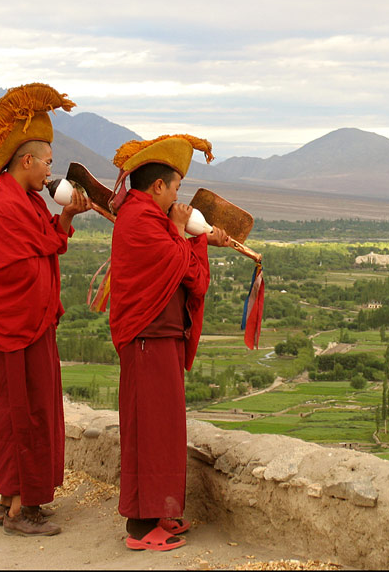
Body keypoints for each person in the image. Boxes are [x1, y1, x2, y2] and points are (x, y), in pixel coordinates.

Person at [0, 83, 93, 537]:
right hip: (18, 326)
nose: (52, 171)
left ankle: (10, 498)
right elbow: (10, 271)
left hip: (28, 327)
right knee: (25, 411)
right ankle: (21, 509)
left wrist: (69, 217)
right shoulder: (4, 207)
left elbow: (47, 243)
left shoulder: (25, 200)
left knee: (23, 409)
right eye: (49, 161)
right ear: (27, 160)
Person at [105, 135, 230, 551]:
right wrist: (183, 231)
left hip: (160, 338)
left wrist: (197, 237)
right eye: (176, 188)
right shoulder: (139, 220)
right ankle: (140, 529)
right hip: (146, 339)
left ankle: (159, 511)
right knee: (147, 430)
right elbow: (181, 267)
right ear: (158, 187)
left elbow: (189, 270)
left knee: (164, 429)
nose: (180, 198)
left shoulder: (153, 220)